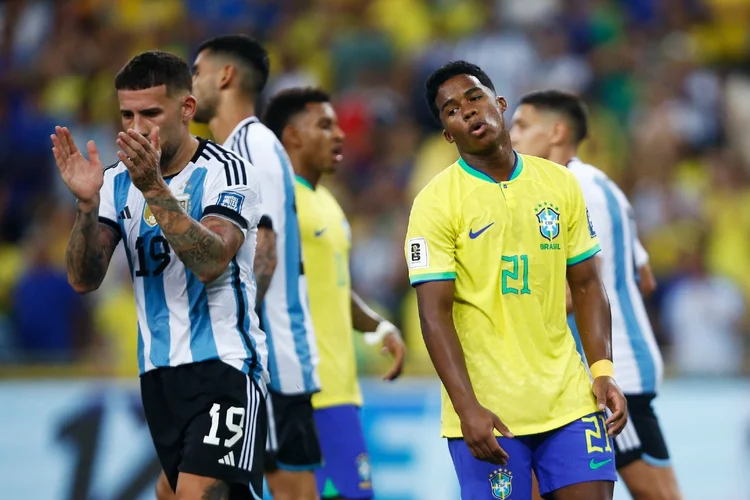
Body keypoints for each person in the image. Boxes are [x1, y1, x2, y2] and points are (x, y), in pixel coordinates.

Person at [405, 60, 628, 500]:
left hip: (569, 400)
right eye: (451, 110)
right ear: (448, 134)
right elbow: (434, 315)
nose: (467, 111)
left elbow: (586, 284)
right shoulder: (434, 204)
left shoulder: (559, 183)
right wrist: (467, 408)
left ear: (499, 103)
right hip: (489, 411)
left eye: (474, 97)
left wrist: (602, 370)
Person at [51, 50, 268, 500]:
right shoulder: (113, 182)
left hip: (225, 368)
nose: (136, 128)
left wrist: (153, 187)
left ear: (187, 109)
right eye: (126, 115)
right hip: (158, 376)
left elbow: (210, 261)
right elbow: (83, 278)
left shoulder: (228, 172)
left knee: (196, 494)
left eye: (150, 113)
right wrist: (88, 207)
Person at [510, 89, 682, 500]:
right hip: (606, 366)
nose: (511, 135)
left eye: (521, 125)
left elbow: (585, 284)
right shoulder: (598, 184)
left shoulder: (570, 187)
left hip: (613, 371)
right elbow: (644, 276)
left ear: (556, 131)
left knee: (657, 495)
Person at [190, 35, 321, 500]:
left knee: (286, 489)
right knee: (191, 484)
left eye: (196, 71)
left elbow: (264, 246)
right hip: (253, 353)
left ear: (224, 75)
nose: (191, 84)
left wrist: (237, 337)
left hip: (269, 358)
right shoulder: (236, 147)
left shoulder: (253, 144)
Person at [263, 87, 407, 500]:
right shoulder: (278, 199)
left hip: (339, 388)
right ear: (291, 135)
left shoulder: (327, 201)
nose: (339, 134)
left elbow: (335, 287)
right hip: (304, 390)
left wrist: (378, 327)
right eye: (324, 125)